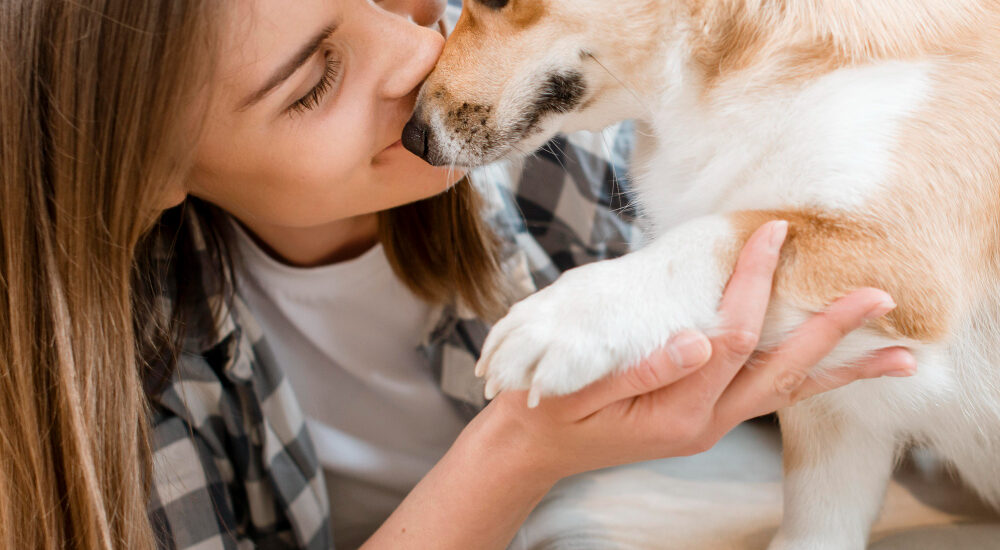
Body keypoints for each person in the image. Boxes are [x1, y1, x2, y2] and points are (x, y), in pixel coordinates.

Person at [0, 0, 917, 548]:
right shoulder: (113, 380)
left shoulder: (543, 139)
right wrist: (518, 453)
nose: (418, 53)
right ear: (148, 173)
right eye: (317, 81)